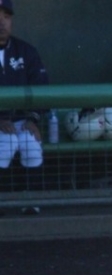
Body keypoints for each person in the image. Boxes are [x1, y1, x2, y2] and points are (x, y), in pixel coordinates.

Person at [0, 0, 48, 215]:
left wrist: (33, 119)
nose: (1, 22)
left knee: (30, 142)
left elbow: (42, 88)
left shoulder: (26, 51)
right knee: (7, 143)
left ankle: (31, 200)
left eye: (6, 16)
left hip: (20, 120)